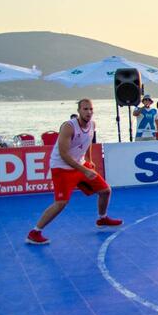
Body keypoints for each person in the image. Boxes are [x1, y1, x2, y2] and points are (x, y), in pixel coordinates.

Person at [26, 99, 121, 244]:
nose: (88, 112)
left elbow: (88, 141)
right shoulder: (68, 127)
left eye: (91, 109)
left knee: (105, 190)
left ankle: (102, 219)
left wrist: (89, 160)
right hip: (62, 167)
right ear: (79, 111)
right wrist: (84, 170)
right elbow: (64, 154)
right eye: (85, 109)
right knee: (61, 203)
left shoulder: (92, 125)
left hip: (80, 164)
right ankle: (34, 232)